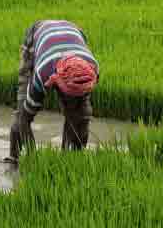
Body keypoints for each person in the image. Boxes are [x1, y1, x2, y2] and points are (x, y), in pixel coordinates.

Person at [9, 19, 100, 162]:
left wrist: (72, 160)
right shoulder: (42, 74)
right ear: (57, 82)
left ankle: (70, 157)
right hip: (36, 38)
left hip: (73, 31)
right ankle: (13, 157)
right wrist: (33, 159)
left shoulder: (91, 71)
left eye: (76, 96)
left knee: (82, 115)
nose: (72, 100)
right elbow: (25, 119)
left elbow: (80, 114)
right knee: (22, 110)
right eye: (69, 96)